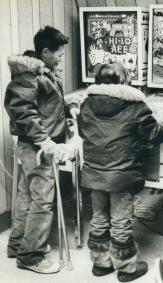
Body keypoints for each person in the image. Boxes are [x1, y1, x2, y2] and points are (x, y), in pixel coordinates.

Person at [77, 62, 163, 282]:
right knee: (120, 220)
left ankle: (101, 263)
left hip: (94, 172)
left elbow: (82, 130)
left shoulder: (86, 104)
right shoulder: (135, 106)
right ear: (124, 81)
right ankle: (127, 268)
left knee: (99, 217)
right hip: (121, 175)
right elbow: (152, 133)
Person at [5, 26, 77, 274]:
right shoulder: (29, 75)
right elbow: (23, 113)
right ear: (45, 52)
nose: (61, 57)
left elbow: (50, 103)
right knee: (43, 200)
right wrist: (46, 141)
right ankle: (31, 255)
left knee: (27, 196)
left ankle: (17, 245)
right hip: (36, 146)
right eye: (59, 53)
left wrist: (69, 111)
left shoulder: (44, 72)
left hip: (37, 145)